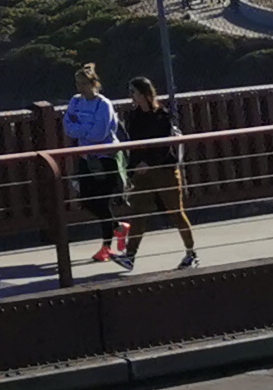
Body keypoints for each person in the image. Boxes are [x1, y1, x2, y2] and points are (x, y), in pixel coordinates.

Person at [117, 77, 199, 269]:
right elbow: (133, 145)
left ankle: (191, 253)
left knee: (175, 212)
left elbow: (164, 146)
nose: (131, 96)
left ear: (145, 93)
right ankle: (130, 256)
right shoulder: (133, 117)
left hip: (164, 170)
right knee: (138, 213)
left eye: (134, 92)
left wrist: (149, 163)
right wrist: (132, 169)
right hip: (141, 173)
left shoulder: (162, 115)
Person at [58, 69, 126, 268]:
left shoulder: (103, 104)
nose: (79, 87)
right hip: (86, 157)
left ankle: (106, 247)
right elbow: (68, 127)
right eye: (77, 83)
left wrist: (81, 129)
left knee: (102, 202)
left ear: (93, 84)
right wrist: (85, 129)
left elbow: (99, 133)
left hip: (105, 158)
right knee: (86, 200)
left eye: (83, 83)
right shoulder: (75, 101)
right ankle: (119, 227)